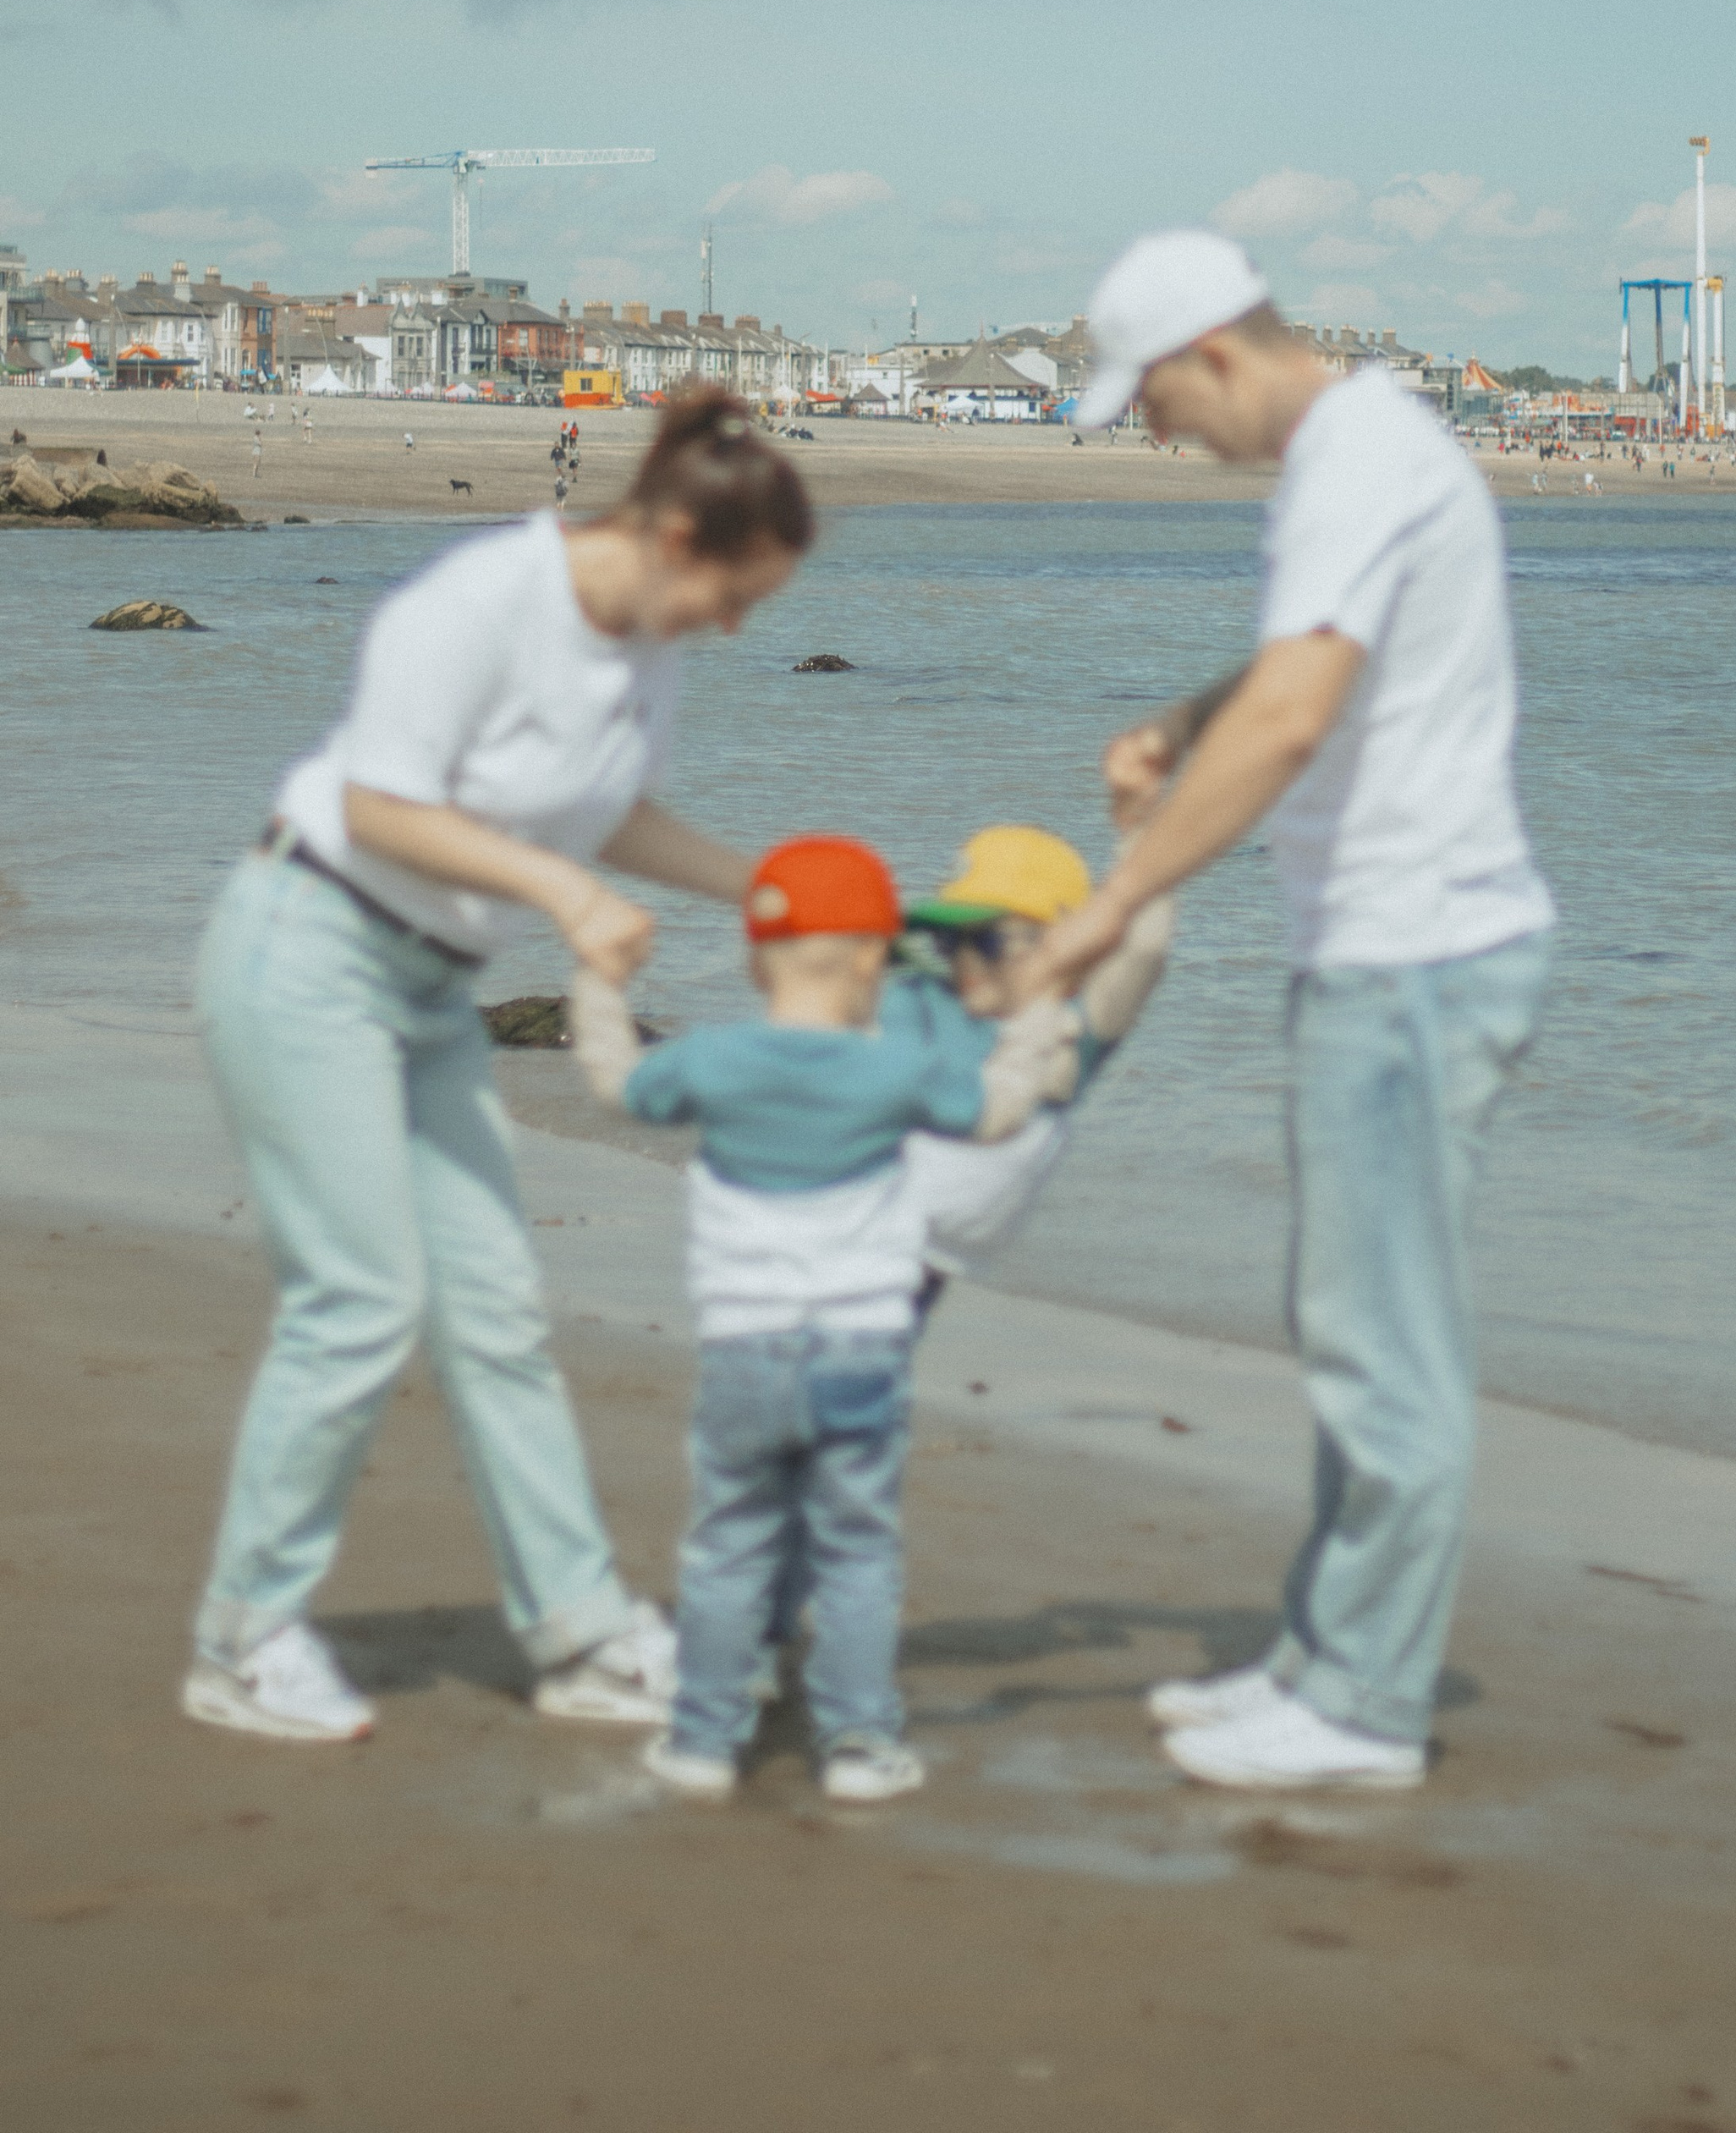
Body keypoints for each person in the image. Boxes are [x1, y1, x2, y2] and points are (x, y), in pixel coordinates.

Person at [184, 388, 812, 1745]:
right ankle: (241, 1639)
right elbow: (379, 806)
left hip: (429, 992)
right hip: (308, 950)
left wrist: (760, 886)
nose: (738, 626)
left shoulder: (648, 647)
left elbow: (610, 811)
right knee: (358, 1300)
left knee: (497, 1309)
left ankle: (580, 1634)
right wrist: (562, 898)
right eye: (738, 594)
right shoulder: (473, 602)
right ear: (675, 537)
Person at [1025, 230, 1554, 1794]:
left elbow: (1304, 708)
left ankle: (1369, 1707)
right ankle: (1331, 1661)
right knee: (1351, 1327)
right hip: (1393, 951)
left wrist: (1116, 907)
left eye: (1155, 404)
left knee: (1384, 1342)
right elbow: (1297, 673)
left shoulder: (1352, 456)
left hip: (1418, 952)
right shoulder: (1363, 447)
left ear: (1216, 354)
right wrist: (1186, 725)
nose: (1159, 435)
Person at [569, 838, 1073, 1806]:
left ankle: (703, 1743)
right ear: (875, 963)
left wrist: (598, 980)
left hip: (743, 1353)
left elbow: (613, 1083)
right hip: (861, 1354)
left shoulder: (712, 1059)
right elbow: (1005, 1110)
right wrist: (1043, 1001)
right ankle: (858, 1747)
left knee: (726, 1547)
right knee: (856, 1553)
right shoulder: (898, 1070)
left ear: (757, 961)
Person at [898, 822, 1173, 1293]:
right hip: (842, 1234)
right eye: (949, 943)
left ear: (1064, 944)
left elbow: (1146, 946)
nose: (964, 962)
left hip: (914, 1265)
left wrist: (1140, 815)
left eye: (987, 943)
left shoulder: (1066, 1035)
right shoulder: (925, 1003)